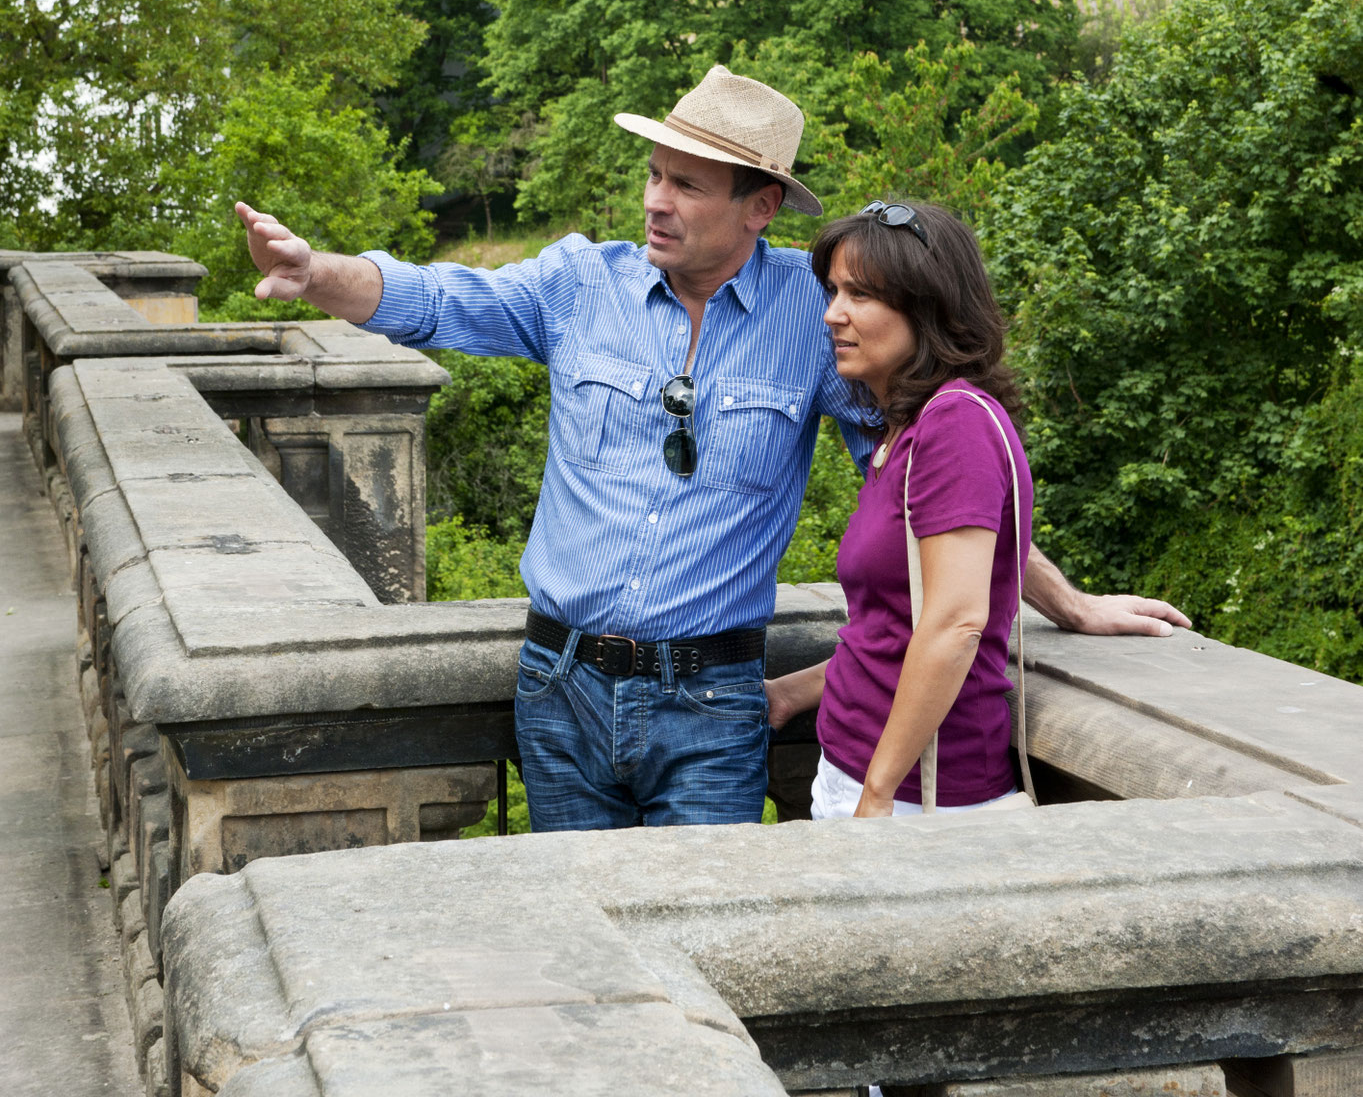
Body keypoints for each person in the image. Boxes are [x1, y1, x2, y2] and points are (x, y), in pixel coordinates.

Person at [235, 64, 1187, 833]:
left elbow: (934, 499)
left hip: (715, 701)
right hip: (558, 686)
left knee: (709, 948)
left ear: (759, 206)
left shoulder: (818, 322)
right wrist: (314, 270)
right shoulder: (578, 284)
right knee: (587, 948)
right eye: (653, 174)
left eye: (686, 184)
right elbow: (437, 300)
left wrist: (1065, 601)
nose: (655, 200)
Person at [766, 199, 1039, 819]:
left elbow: (955, 624)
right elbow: (890, 631)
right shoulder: (906, 432)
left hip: (919, 797)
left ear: (928, 305)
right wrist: (793, 692)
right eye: (832, 290)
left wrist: (878, 794)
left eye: (861, 295)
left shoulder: (955, 427)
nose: (833, 314)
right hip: (858, 767)